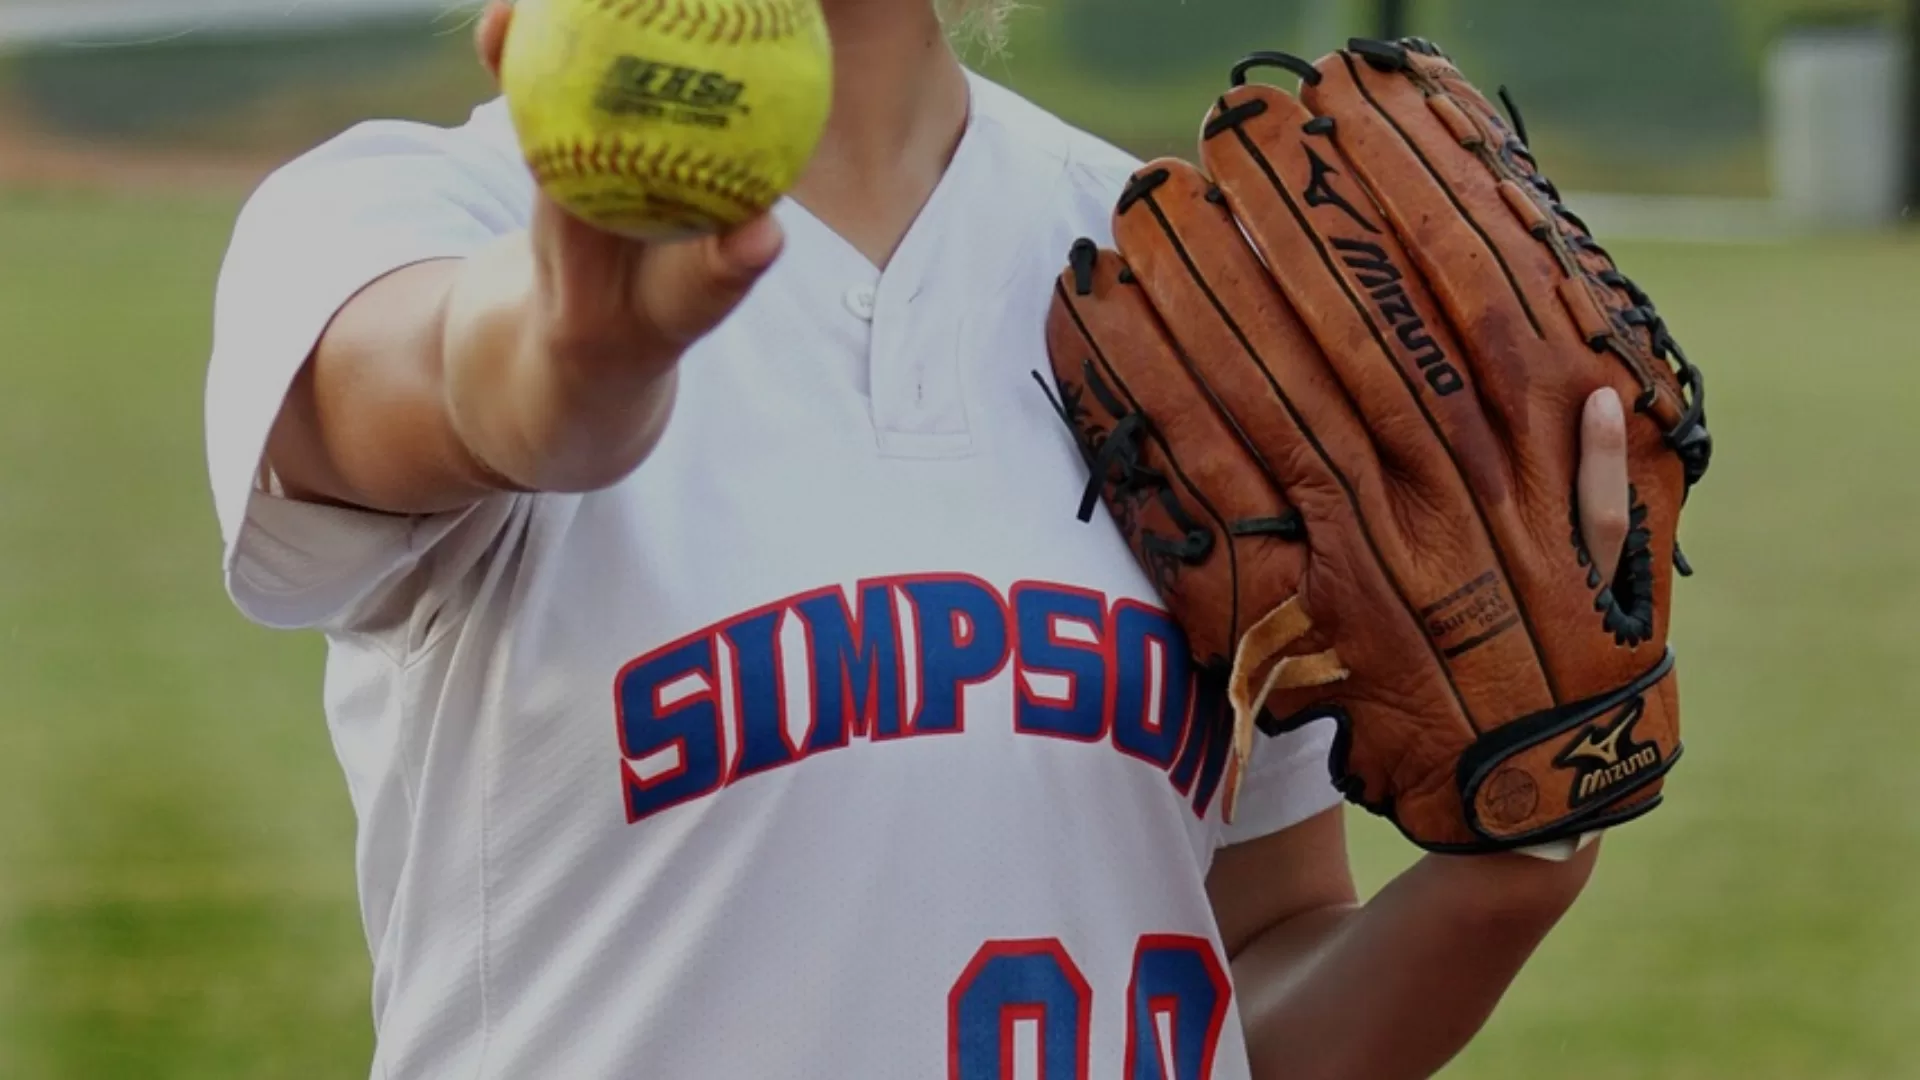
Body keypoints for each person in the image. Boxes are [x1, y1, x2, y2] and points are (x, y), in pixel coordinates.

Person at [203, 1, 1636, 1076]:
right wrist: (580, 351)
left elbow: (1246, 991)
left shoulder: (1186, 297)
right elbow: (466, 387)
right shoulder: (407, 217)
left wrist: (1521, 856)